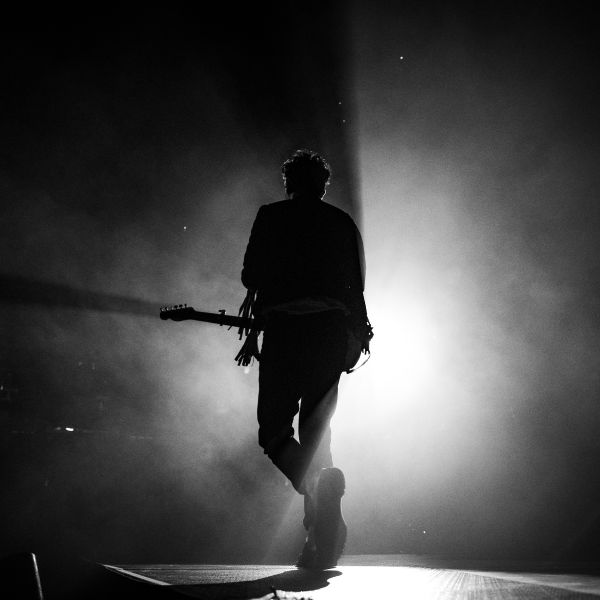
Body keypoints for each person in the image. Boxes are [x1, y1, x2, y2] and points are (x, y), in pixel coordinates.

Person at [238, 149, 372, 569]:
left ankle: (314, 490)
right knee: (317, 436)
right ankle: (318, 544)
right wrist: (359, 334)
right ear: (323, 185)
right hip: (329, 333)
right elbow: (356, 285)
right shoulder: (341, 221)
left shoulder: (271, 216)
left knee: (273, 431)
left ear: (289, 183)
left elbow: (250, 275)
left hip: (286, 331)